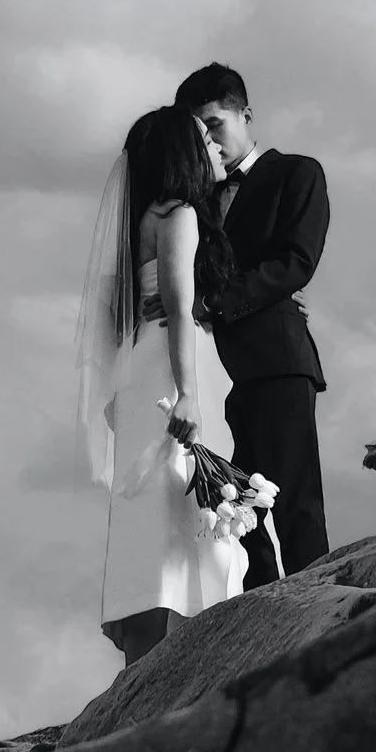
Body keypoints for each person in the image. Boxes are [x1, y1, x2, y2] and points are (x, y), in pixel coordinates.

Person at [76, 104, 250, 664]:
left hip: (142, 364)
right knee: (178, 510)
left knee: (155, 514)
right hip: (175, 368)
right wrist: (191, 395)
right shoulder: (178, 215)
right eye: (203, 137)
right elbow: (177, 306)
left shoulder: (137, 221)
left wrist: (117, 386)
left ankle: (144, 662)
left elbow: (110, 303)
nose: (214, 144)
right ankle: (184, 660)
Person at [176, 62, 329, 583]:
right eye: (199, 132)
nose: (210, 142)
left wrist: (213, 302)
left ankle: (320, 614)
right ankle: (259, 615)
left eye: (215, 124)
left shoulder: (297, 172)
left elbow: (295, 262)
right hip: (211, 369)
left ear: (245, 114)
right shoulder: (192, 200)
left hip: (276, 359)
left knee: (294, 498)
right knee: (234, 504)